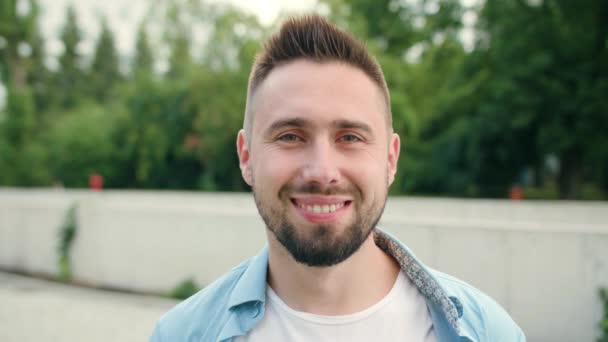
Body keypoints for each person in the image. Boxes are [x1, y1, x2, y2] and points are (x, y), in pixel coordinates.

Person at [150, 15, 525, 342]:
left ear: (390, 159)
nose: (322, 172)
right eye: (290, 136)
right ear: (246, 156)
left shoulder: (489, 333)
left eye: (350, 138)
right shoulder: (182, 335)